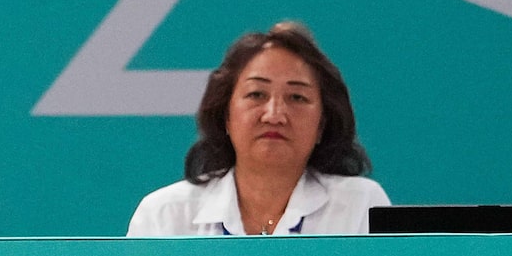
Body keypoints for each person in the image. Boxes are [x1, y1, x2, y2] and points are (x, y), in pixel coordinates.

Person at [127, 23, 388, 237]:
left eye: (297, 97)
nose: (274, 115)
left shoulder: (361, 205)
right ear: (226, 116)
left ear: (322, 124)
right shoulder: (165, 216)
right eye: (256, 94)